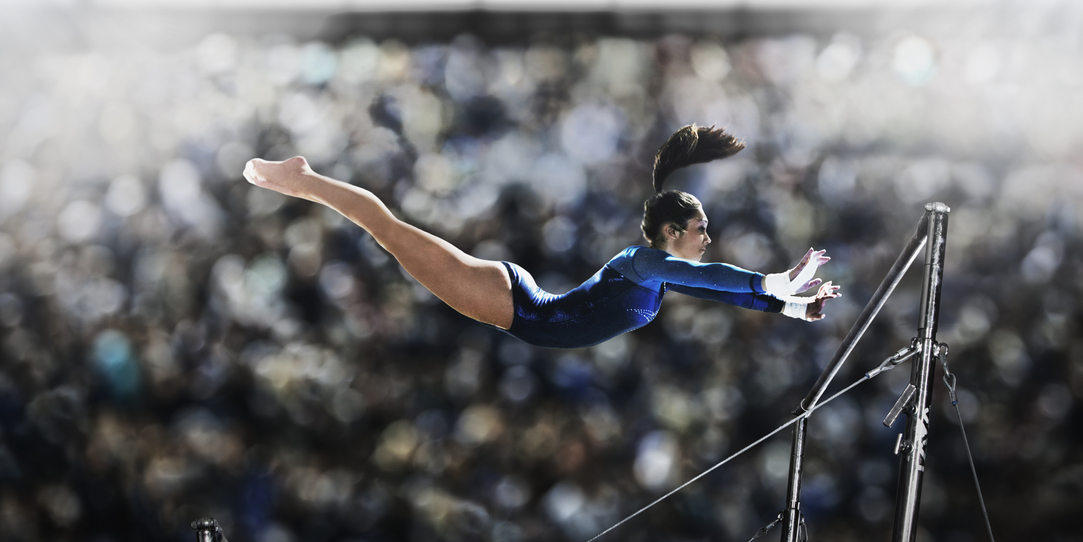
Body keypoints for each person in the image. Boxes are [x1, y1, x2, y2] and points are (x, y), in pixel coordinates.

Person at [244, 124, 840, 349]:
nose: (709, 239)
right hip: (519, 309)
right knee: (393, 234)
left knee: (396, 238)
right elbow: (711, 279)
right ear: (671, 230)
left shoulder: (659, 274)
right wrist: (774, 283)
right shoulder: (643, 262)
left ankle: (306, 180)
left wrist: (784, 303)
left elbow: (712, 288)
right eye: (702, 230)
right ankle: (305, 180)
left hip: (526, 307)